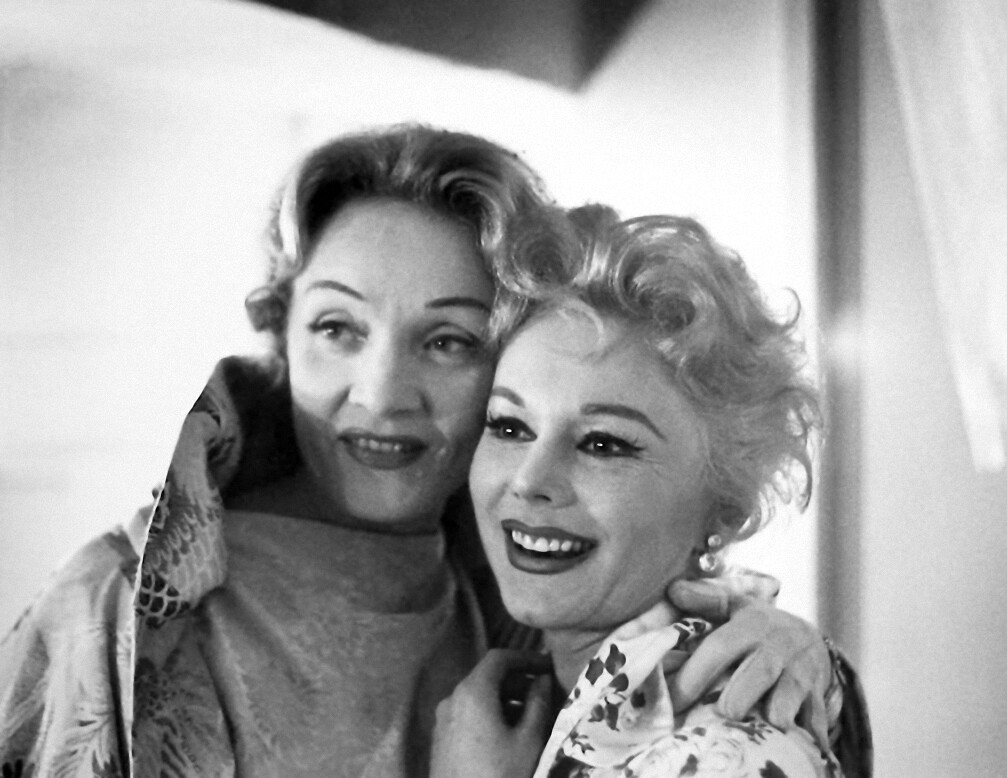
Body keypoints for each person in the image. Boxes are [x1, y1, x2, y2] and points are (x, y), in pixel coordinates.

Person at [0, 127, 859, 777]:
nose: (380, 395)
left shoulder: (515, 583)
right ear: (280, 335)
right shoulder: (111, 610)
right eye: (336, 328)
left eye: (449, 340)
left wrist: (804, 668)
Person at [431, 206, 871, 777]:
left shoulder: (722, 760)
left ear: (725, 505)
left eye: (603, 444)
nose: (529, 480)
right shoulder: (533, 673)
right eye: (510, 427)